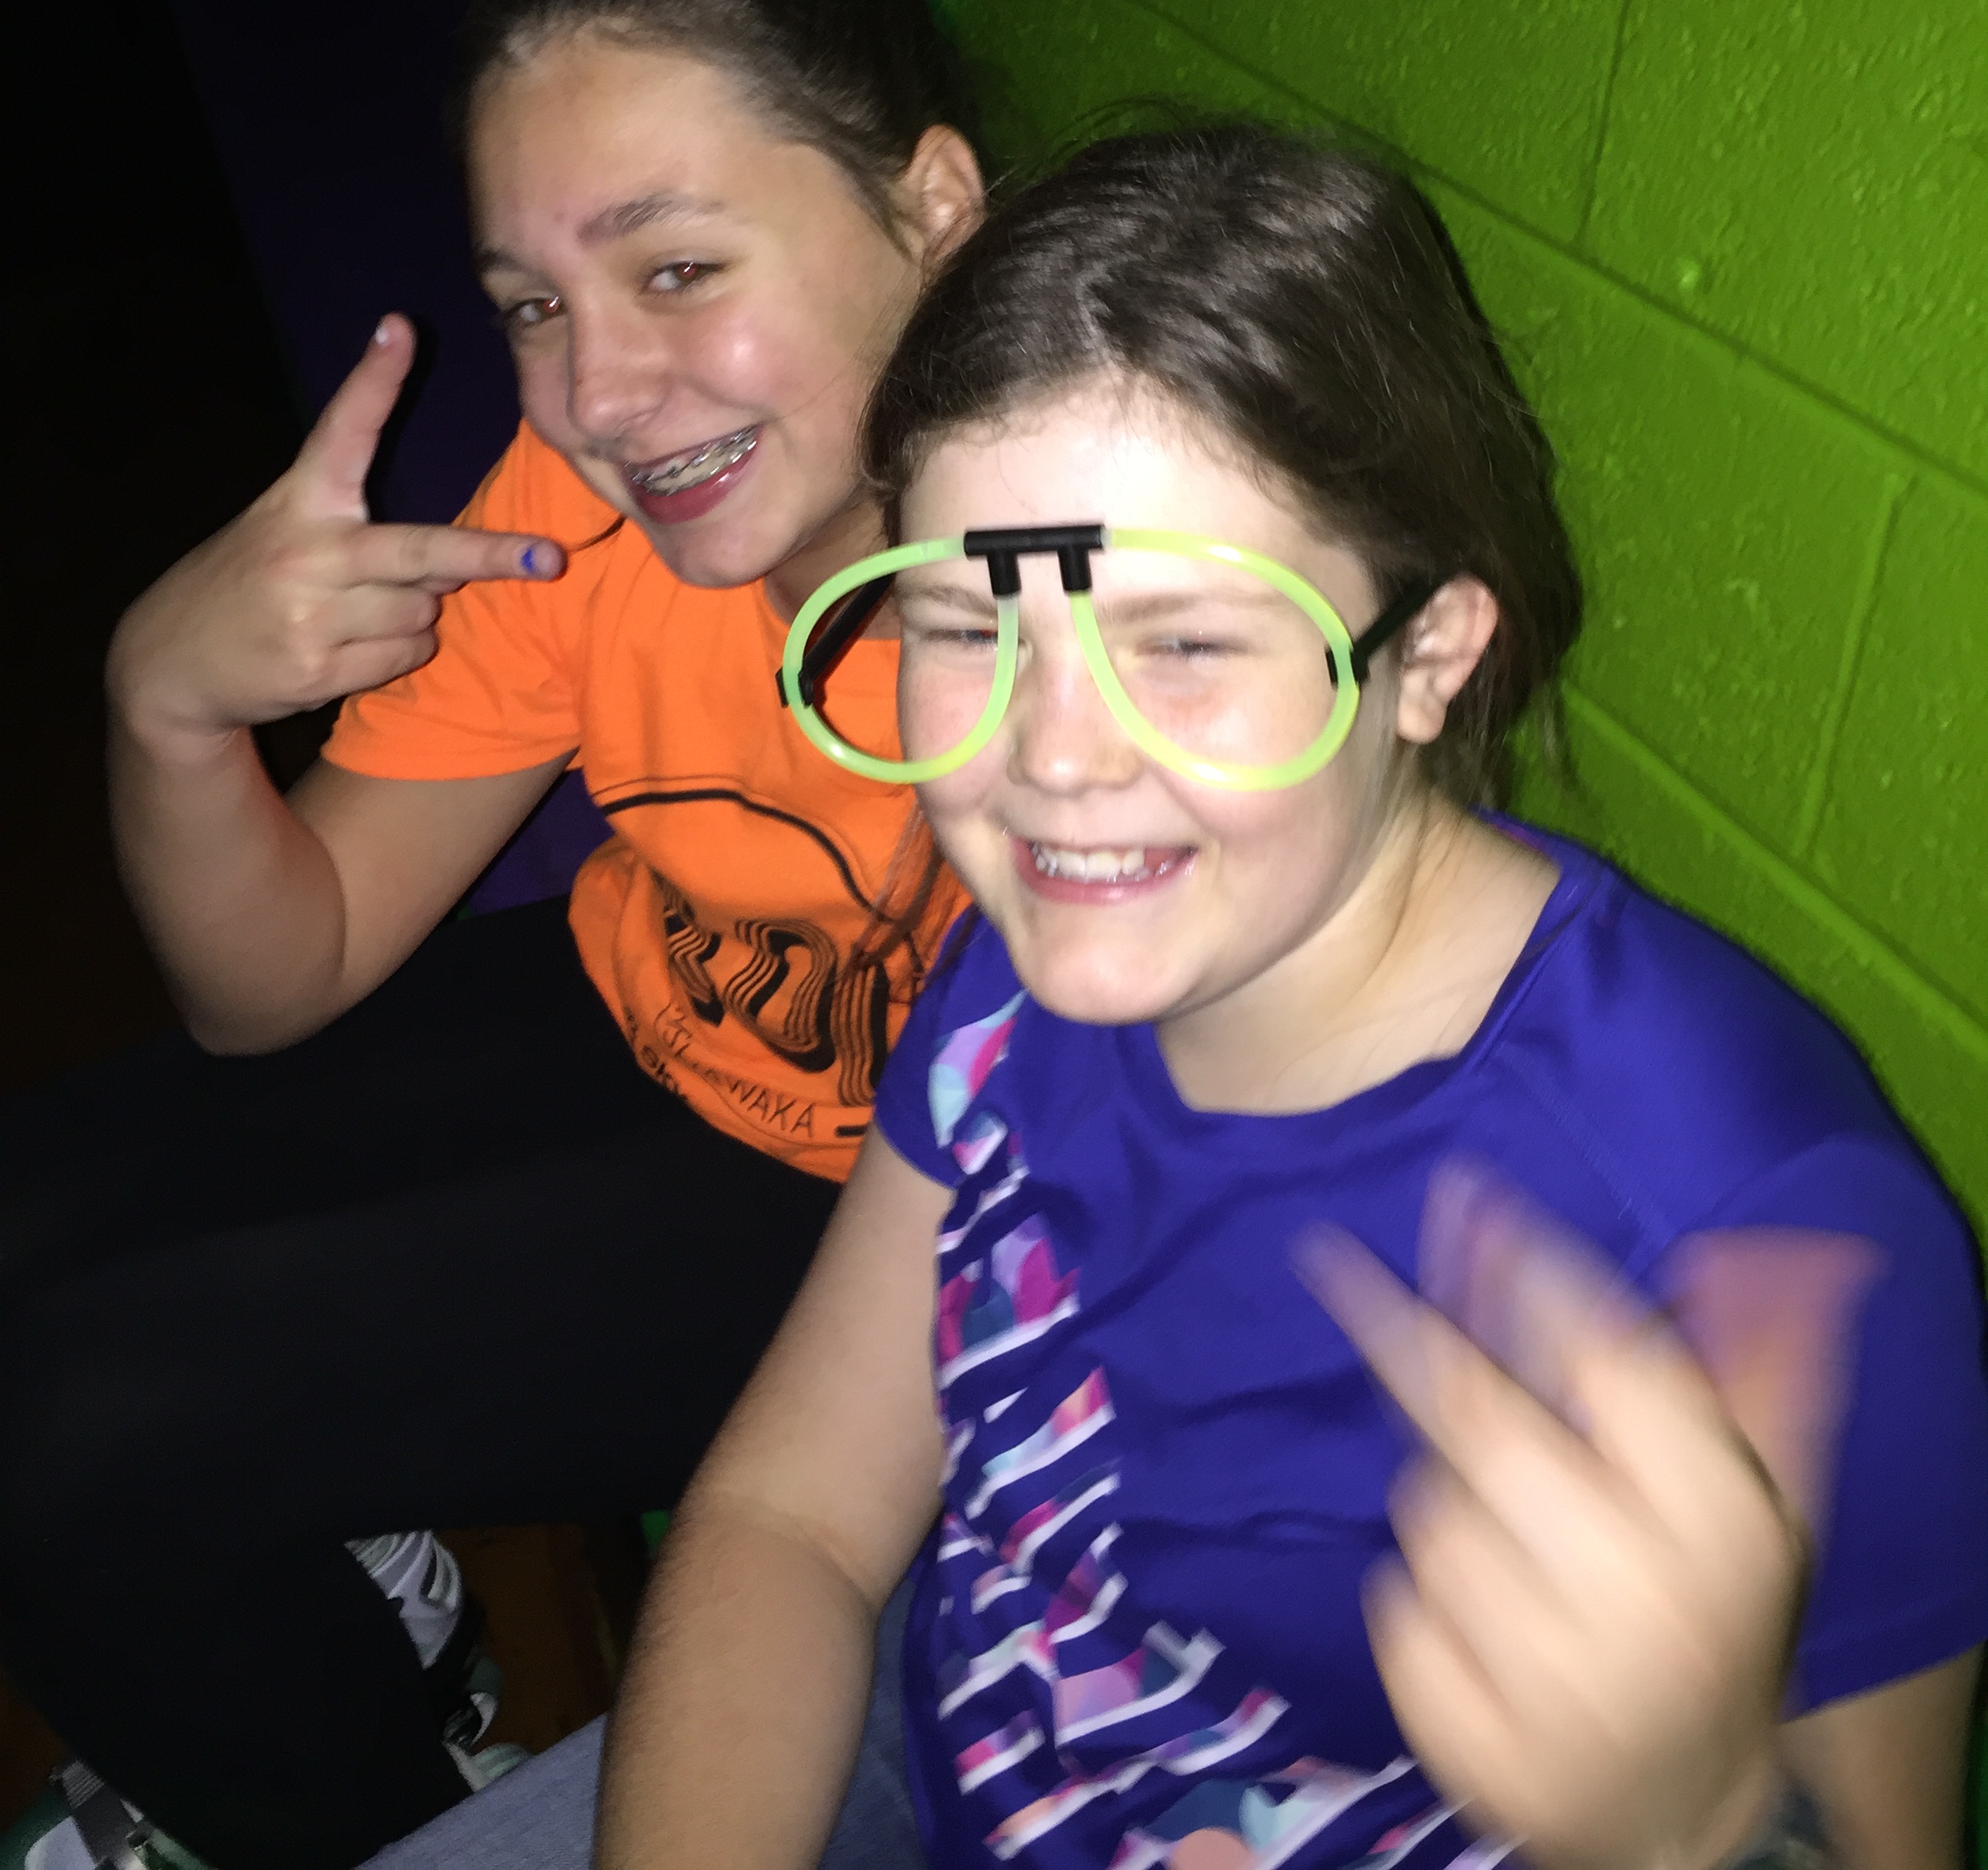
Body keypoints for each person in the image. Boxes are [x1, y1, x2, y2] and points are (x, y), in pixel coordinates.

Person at [595, 125, 1988, 1870]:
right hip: (944, 1737)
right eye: (967, 624)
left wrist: (1686, 1837)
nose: (1050, 759)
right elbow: (796, 1511)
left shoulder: (1755, 1211)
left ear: (1428, 657)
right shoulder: (1040, 956)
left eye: (1184, 642)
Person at [0, 0, 985, 1870]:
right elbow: (283, 973)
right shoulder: (578, 514)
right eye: (532, 303)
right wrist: (167, 710)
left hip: (889, 1238)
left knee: (82, 1430)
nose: (598, 391)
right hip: (653, 1002)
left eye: (677, 268)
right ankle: (368, 1644)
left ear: (933, 209)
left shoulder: (1100, 600)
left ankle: (356, 1811)